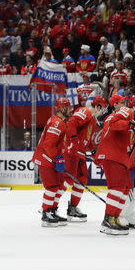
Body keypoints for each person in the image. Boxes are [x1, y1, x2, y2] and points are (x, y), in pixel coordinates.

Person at [96, 94, 135, 235]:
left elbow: (128, 146)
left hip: (120, 158)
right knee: (118, 188)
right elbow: (112, 124)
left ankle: (115, 217)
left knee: (125, 188)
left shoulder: (132, 118)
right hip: (113, 156)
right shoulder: (127, 112)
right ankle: (108, 220)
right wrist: (131, 125)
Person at [53, 96, 108, 222]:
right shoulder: (85, 112)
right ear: (98, 106)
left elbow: (86, 139)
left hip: (79, 153)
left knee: (81, 179)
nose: (103, 112)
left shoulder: (92, 120)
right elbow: (71, 123)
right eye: (103, 109)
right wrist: (73, 140)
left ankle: (72, 208)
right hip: (71, 151)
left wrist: (92, 150)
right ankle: (51, 206)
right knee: (68, 179)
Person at [32, 98, 72, 227]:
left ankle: (52, 210)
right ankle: (46, 213)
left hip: (49, 158)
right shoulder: (57, 123)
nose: (70, 109)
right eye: (68, 107)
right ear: (61, 108)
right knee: (51, 187)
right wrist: (57, 158)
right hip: (46, 158)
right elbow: (48, 144)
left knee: (57, 184)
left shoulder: (58, 121)